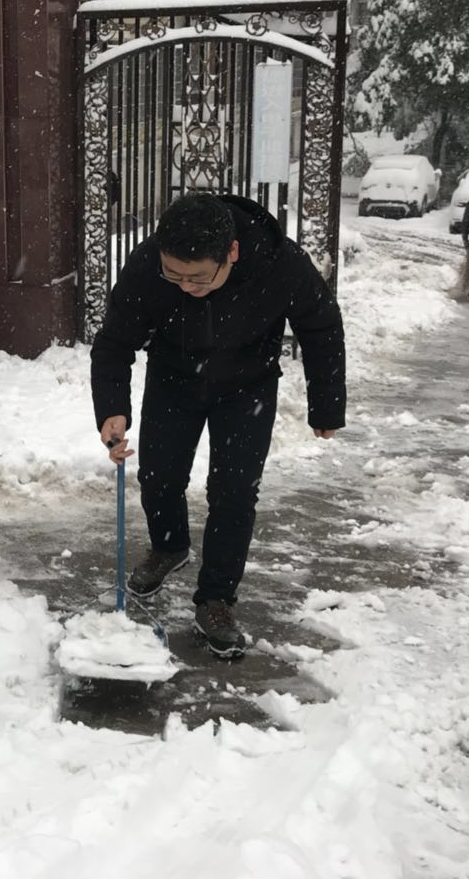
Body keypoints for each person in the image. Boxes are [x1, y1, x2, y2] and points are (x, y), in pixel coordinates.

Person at [90, 193, 345, 658]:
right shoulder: (148, 263)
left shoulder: (280, 263)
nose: (186, 286)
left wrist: (326, 404)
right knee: (160, 475)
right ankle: (169, 547)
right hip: (173, 378)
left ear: (232, 252)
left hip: (248, 384)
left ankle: (216, 599)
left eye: (198, 277)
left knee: (234, 491)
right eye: (175, 276)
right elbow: (114, 341)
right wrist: (111, 407)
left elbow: (321, 326)